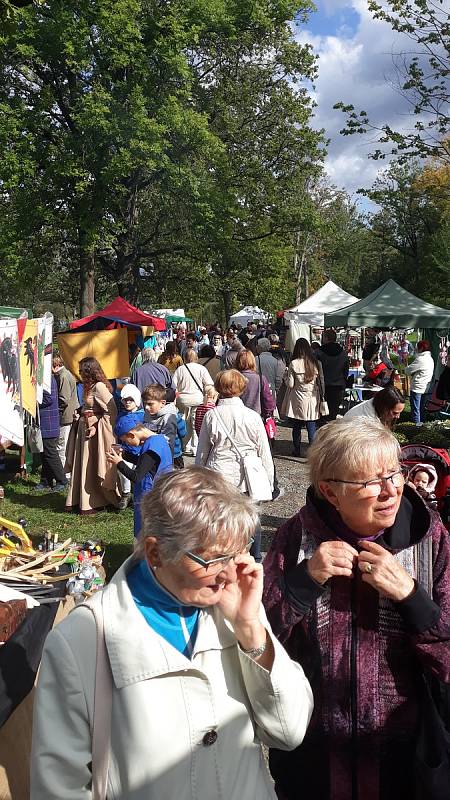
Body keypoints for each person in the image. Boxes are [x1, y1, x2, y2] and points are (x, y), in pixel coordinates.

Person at [31, 467, 313, 800]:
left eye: (237, 553)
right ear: (155, 552)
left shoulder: (233, 605)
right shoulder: (83, 638)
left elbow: (289, 730)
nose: (228, 573)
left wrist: (251, 630)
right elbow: (59, 786)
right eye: (212, 559)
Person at [263, 417, 450, 800]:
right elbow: (255, 643)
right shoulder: (297, 537)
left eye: (395, 474)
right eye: (370, 482)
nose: (391, 490)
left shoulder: (430, 539)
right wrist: (302, 582)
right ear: (331, 493)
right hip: (314, 754)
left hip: (405, 758)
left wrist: (412, 597)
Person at [196, 370, 274, 562]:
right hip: (248, 476)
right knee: (251, 516)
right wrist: (269, 481)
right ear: (241, 388)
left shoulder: (212, 416)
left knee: (220, 517)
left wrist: (199, 477)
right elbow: (264, 451)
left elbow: (203, 451)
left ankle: (223, 554)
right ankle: (254, 557)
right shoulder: (252, 416)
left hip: (219, 472)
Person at [65, 357, 120, 513]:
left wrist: (96, 425)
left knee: (91, 465)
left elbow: (111, 411)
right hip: (83, 431)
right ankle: (81, 500)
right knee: (84, 465)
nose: (80, 372)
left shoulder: (100, 387)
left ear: (90, 371)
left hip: (93, 433)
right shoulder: (88, 387)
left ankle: (97, 500)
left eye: (82, 370)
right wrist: (79, 413)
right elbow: (89, 406)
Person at [108, 414, 172, 537]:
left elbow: (136, 476)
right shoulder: (157, 440)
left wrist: (119, 463)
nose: (128, 444)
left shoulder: (151, 446)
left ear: (132, 434)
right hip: (159, 492)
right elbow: (145, 464)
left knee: (147, 531)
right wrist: (124, 455)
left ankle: (145, 555)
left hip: (150, 496)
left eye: (126, 441)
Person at [281, 338, 324, 455]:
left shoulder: (294, 363)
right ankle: (313, 452)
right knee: (311, 425)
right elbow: (321, 382)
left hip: (298, 398)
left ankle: (297, 449)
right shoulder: (315, 362)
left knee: (296, 426)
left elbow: (290, 384)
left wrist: (285, 376)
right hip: (312, 397)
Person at [173, 350, 213, 456]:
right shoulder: (202, 369)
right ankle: (195, 448)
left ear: (185, 358)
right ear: (196, 358)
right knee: (196, 424)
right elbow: (209, 384)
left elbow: (174, 386)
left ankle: (185, 446)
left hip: (183, 400)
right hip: (198, 400)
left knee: (184, 423)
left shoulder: (180, 369)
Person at [36, 374, 68, 492]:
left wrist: (32, 402)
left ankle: (62, 480)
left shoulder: (46, 378)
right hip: (45, 421)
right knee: (44, 453)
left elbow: (48, 398)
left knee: (50, 453)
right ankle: (46, 481)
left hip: (48, 421)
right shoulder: (45, 377)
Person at [116, 384, 145, 509]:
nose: (128, 402)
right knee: (123, 471)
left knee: (140, 474)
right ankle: (126, 494)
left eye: (131, 400)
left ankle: (140, 496)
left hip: (140, 451)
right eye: (125, 400)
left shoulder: (143, 415)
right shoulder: (121, 415)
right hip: (126, 449)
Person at [52, 355, 78, 475]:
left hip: (65, 416)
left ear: (56, 365)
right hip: (68, 414)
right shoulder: (66, 374)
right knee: (66, 444)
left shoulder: (62, 376)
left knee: (62, 446)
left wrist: (54, 409)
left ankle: (63, 473)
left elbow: (64, 399)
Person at [316, 329, 349, 421]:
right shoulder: (343, 353)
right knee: (333, 412)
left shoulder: (319, 352)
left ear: (326, 338)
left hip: (323, 386)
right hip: (338, 385)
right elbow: (346, 369)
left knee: (322, 411)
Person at [235, 349, 275, 418]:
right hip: (255, 415)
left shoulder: (233, 377)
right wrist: (268, 413)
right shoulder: (260, 378)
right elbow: (267, 399)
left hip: (236, 415)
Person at [405, 340, 435, 425]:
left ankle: (417, 428)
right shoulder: (430, 358)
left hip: (418, 387)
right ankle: (422, 425)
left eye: (417, 347)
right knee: (421, 409)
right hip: (426, 387)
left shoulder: (421, 359)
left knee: (416, 409)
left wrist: (408, 368)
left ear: (421, 348)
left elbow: (407, 371)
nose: (416, 349)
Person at [142, 384, 177, 454]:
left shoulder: (168, 418)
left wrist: (148, 435)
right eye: (144, 404)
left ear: (162, 403)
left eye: (150, 404)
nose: (146, 407)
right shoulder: (148, 413)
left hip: (160, 457)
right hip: (147, 452)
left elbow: (167, 442)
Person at [256, 338, 285, 406]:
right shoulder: (275, 360)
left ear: (260, 347)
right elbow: (278, 378)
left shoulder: (255, 359)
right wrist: (276, 389)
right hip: (271, 389)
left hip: (259, 390)